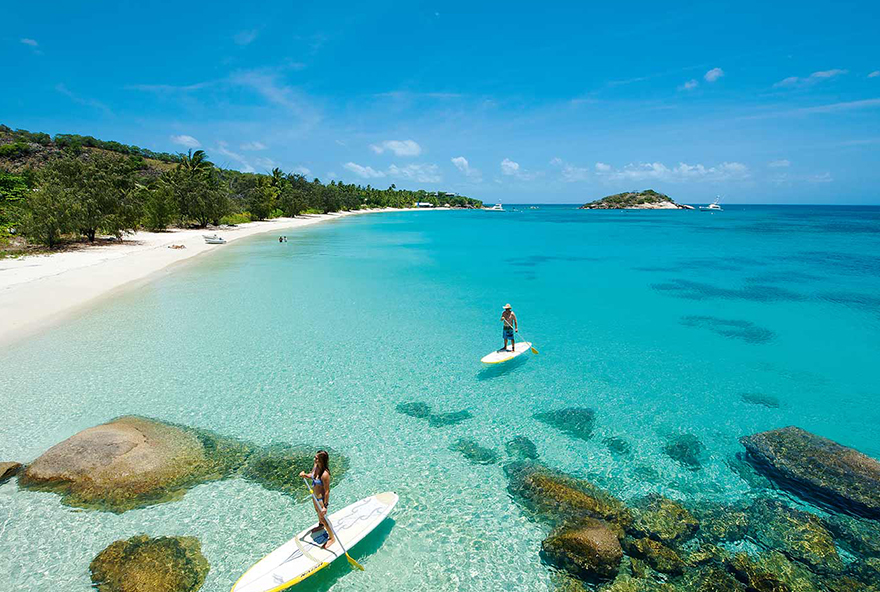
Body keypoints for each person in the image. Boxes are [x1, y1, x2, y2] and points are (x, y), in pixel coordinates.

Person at [299, 450, 334, 548]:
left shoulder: (325, 474)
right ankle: (321, 525)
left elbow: (327, 491)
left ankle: (332, 538)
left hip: (320, 499)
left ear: (322, 460)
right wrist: (305, 475)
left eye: (317, 458)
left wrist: (325, 506)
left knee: (323, 517)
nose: (314, 459)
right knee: (317, 512)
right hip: (314, 496)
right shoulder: (316, 466)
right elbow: (312, 475)